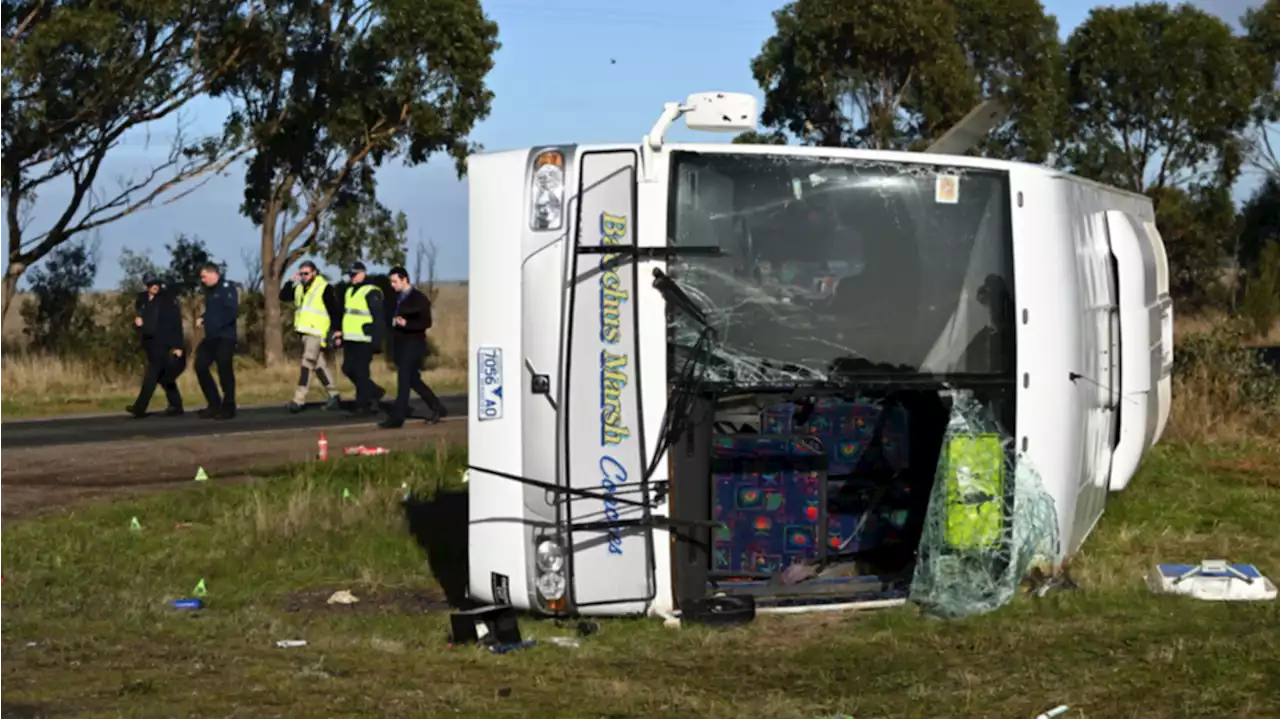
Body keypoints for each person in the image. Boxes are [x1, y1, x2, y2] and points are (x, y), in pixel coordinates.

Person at [381, 266, 448, 429]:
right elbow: (389, 316)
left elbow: (426, 322)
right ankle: (438, 407)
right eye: (391, 281)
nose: (392, 285)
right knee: (413, 380)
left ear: (405, 279)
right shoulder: (395, 298)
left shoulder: (419, 298)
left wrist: (408, 324)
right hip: (400, 343)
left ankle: (398, 418)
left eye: (395, 281)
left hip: (414, 343)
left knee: (403, 379)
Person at [279, 260, 342, 413]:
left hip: (317, 332)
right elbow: (283, 296)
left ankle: (299, 399)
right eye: (301, 274)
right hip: (305, 332)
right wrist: (289, 282)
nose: (303, 276)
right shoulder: (300, 288)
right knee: (319, 365)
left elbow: (335, 310)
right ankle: (334, 395)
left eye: (306, 273)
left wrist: (337, 330)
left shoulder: (324, 287)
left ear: (314, 272)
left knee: (307, 362)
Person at [126, 274, 185, 418]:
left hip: (163, 341)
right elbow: (140, 313)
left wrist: (178, 345)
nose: (155, 286)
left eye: (157, 283)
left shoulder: (167, 300)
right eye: (152, 284)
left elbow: (176, 322)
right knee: (164, 377)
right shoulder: (143, 299)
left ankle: (139, 408)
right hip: (149, 342)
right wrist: (138, 321)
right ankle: (176, 405)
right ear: (146, 285)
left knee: (151, 375)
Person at [334, 261, 386, 416]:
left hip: (365, 339)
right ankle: (374, 391)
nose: (352, 278)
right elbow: (348, 316)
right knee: (347, 368)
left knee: (362, 372)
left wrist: (376, 341)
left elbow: (379, 318)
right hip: (350, 339)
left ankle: (363, 405)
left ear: (363, 273)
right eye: (350, 275)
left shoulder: (372, 291)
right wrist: (340, 335)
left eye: (354, 274)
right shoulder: (350, 291)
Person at [194, 263, 238, 420]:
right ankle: (214, 404)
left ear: (214, 274)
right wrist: (204, 319)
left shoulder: (227, 288)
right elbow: (213, 312)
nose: (203, 280)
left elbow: (231, 311)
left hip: (225, 336)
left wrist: (216, 324)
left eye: (204, 276)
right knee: (200, 365)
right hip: (211, 337)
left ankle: (228, 406)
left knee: (224, 368)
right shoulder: (210, 292)